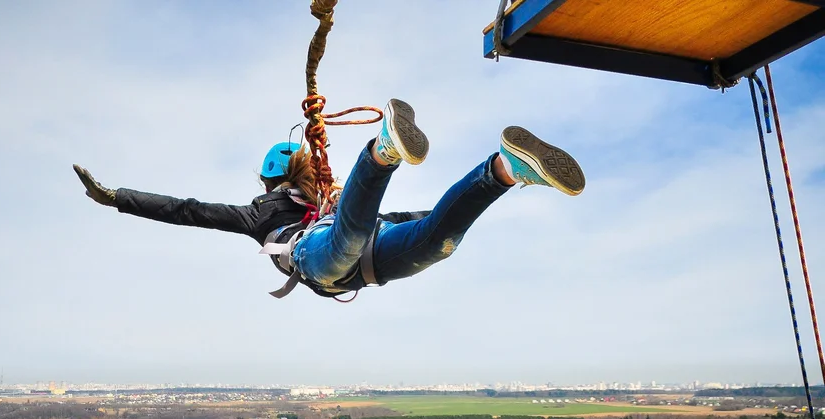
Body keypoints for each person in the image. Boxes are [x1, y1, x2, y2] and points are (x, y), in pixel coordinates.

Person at [73, 98, 585, 300]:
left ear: (272, 177)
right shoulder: (264, 215)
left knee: (437, 244)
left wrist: (443, 215)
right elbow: (183, 210)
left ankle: (502, 169)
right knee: (364, 232)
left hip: (341, 253)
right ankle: (480, 167)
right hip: (341, 257)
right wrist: (116, 197)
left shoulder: (325, 203)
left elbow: (185, 210)